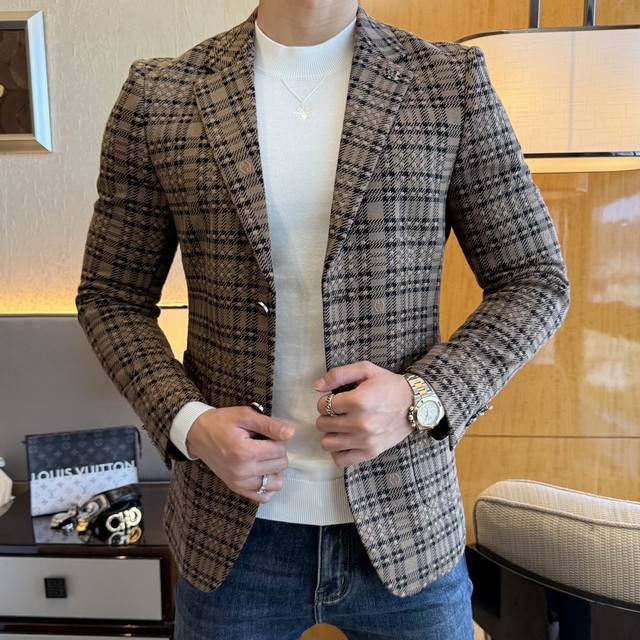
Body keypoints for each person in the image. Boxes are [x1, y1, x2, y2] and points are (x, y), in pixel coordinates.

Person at [75, 0, 570, 638]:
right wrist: (189, 423)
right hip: (229, 535)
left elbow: (535, 279)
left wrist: (421, 396)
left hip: (408, 528)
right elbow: (110, 296)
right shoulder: (160, 96)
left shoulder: (450, 84)